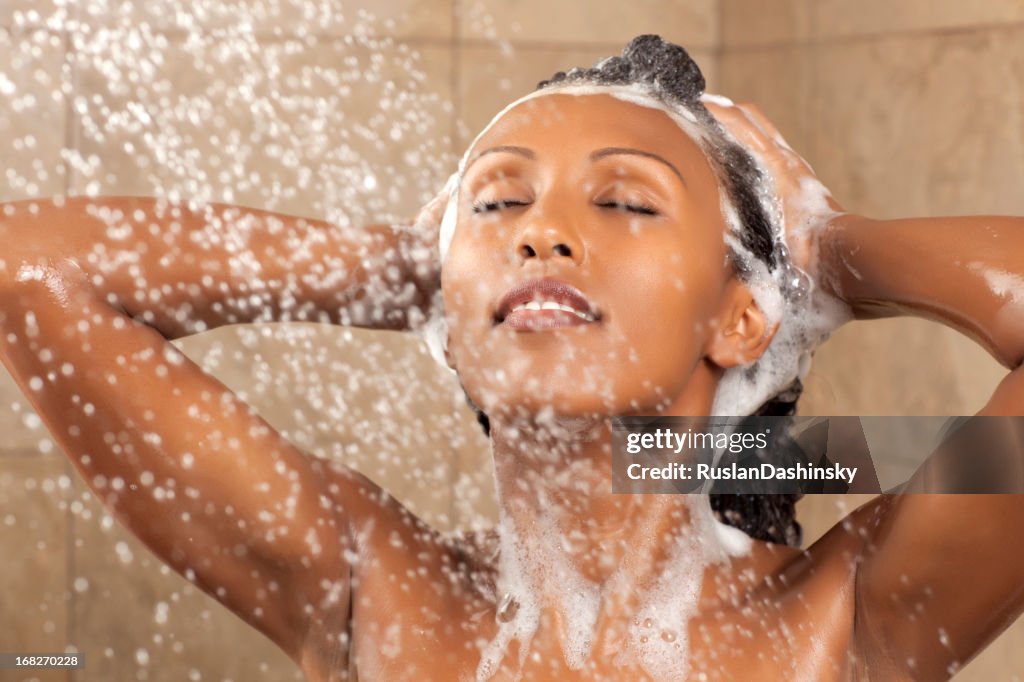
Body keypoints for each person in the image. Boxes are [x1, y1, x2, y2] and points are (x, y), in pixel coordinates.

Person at [0, 34, 1021, 681]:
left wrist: (831, 252)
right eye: (495, 203)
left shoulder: (847, 624)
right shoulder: (375, 594)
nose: (538, 234)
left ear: (738, 316)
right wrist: (411, 269)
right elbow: (29, 270)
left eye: (622, 201)